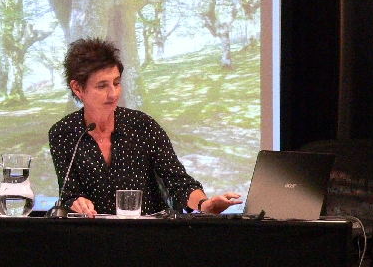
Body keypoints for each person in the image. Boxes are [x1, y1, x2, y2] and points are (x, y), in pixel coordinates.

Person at [49, 37, 242, 217]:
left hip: (148, 233)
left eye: (116, 83)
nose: (113, 94)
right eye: (102, 86)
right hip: (94, 235)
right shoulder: (63, 133)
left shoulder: (142, 126)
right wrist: (76, 202)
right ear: (78, 88)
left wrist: (205, 205)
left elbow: (178, 181)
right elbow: (69, 193)